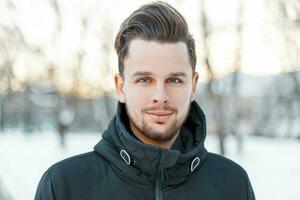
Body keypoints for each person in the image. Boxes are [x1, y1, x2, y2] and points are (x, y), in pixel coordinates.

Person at [35, 1, 255, 200]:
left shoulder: (233, 185)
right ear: (120, 87)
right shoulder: (64, 186)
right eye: (144, 80)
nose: (160, 96)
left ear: (193, 86)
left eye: (175, 80)